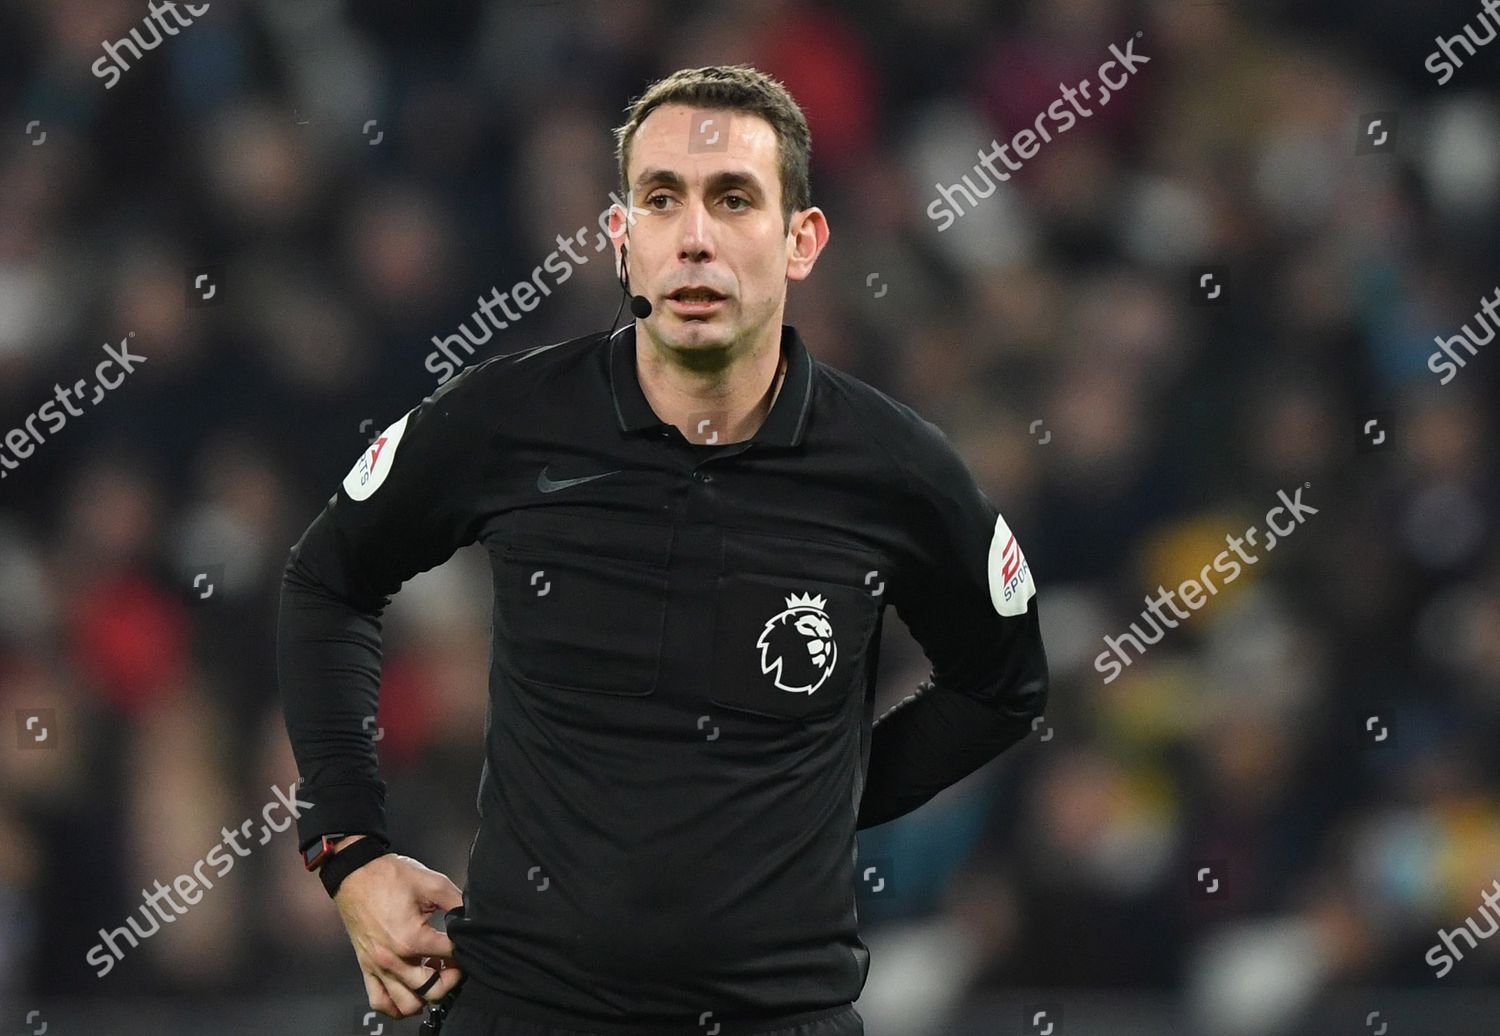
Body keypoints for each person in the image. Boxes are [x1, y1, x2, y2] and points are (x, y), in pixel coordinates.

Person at [278, 63, 1049, 1036]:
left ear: (802, 239)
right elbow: (327, 577)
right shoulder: (505, 420)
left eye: (734, 200)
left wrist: (822, 794)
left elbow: (1003, 683)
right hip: (526, 1011)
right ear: (622, 240)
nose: (695, 236)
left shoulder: (898, 471)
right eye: (662, 199)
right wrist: (349, 849)